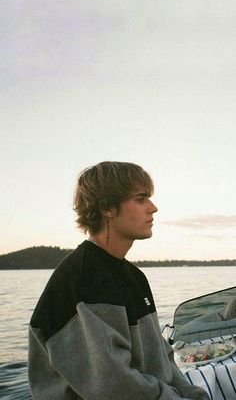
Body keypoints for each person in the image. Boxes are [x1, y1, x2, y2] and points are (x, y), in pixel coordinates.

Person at [28, 161, 210, 399]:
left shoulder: (134, 277)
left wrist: (193, 394)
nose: (153, 208)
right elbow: (115, 387)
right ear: (107, 208)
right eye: (141, 198)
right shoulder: (85, 280)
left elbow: (162, 359)